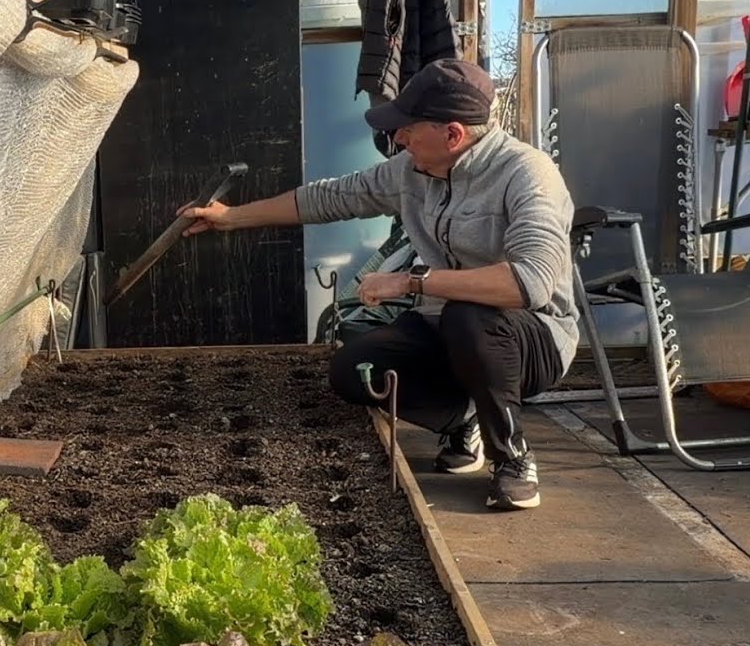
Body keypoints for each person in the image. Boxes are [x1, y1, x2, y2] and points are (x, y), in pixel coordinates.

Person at [180, 58, 578, 511]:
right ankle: (462, 416)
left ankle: (513, 458)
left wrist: (412, 282)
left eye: (408, 129)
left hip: (530, 336)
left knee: (472, 318)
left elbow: (531, 282)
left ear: (453, 134)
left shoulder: (527, 173)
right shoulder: (411, 171)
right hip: (449, 326)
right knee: (354, 371)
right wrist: (232, 218)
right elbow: (333, 196)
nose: (399, 139)